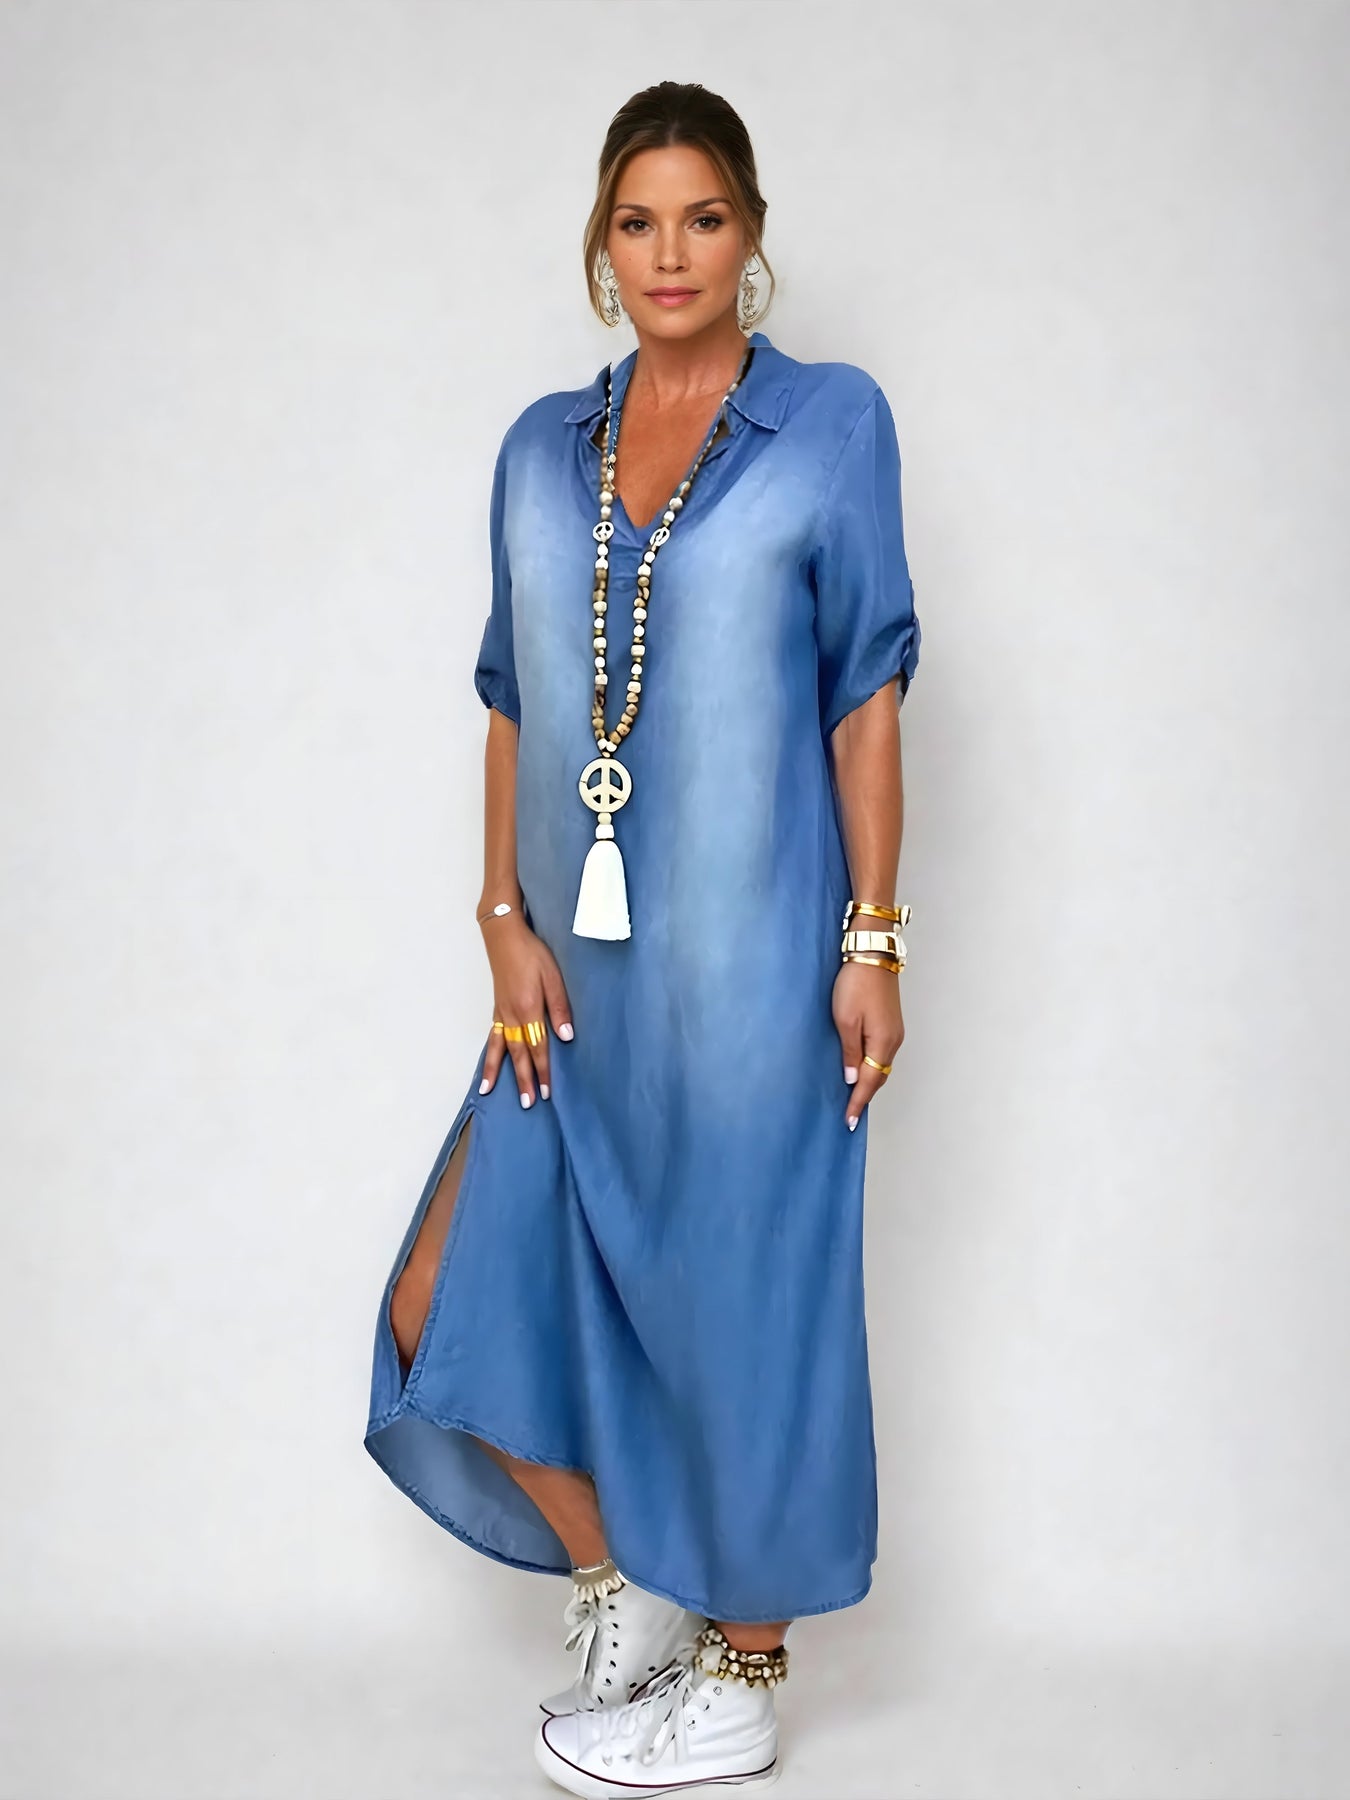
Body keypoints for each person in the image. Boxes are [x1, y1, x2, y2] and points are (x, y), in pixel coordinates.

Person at [363, 78, 922, 1797]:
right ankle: (630, 1587)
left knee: (742, 1319)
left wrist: (873, 941)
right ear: (598, 244)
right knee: (442, 1295)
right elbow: (512, 702)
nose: (669, 252)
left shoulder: (826, 426)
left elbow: (864, 695)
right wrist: (498, 920)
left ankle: (740, 1680)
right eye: (635, 219)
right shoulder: (540, 449)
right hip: (570, 990)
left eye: (702, 217)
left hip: (751, 989)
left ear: (749, 235)